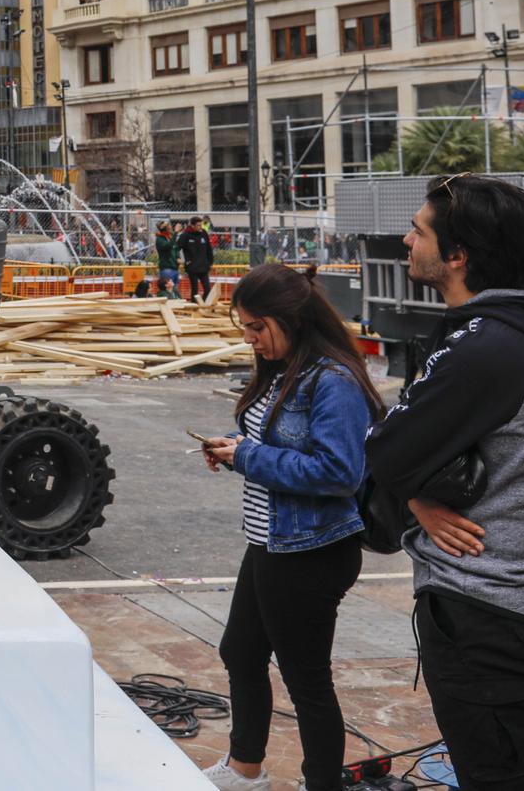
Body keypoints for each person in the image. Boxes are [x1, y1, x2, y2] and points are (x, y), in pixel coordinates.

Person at [365, 176, 524, 791]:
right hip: (523, 606)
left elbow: (383, 450)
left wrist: (408, 489)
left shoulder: (486, 344)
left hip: (490, 615)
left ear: (459, 254)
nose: (406, 240)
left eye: (418, 230)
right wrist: (419, 500)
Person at [200, 263, 384, 791]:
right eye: (245, 326)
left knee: (306, 679)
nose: (250, 338)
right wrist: (233, 449)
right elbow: (275, 443)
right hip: (271, 539)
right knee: (240, 651)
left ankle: (320, 783)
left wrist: (249, 458)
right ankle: (244, 769)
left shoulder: (334, 381)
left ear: (292, 319)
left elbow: (338, 471)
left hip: (311, 548)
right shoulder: (284, 370)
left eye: (258, 327)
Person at [180, 216, 215, 302]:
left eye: (201, 225)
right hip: (192, 267)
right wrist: (185, 261)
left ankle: (203, 305)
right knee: (195, 290)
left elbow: (209, 249)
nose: (200, 227)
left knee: (207, 289)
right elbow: (177, 247)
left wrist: (210, 262)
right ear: (192, 225)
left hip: (204, 266)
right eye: (198, 225)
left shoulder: (203, 233)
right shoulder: (185, 235)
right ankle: (194, 307)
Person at [155, 220, 181, 299]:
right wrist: (176, 233)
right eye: (168, 226)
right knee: (167, 291)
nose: (171, 227)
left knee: (175, 290)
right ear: (165, 228)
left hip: (175, 268)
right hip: (166, 268)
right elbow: (169, 246)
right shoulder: (160, 239)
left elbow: (176, 248)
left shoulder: (170, 237)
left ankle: (175, 307)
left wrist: (177, 257)